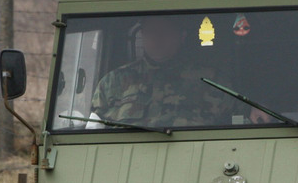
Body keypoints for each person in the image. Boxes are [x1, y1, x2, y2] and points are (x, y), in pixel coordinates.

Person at [91, 16, 233, 128]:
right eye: (151, 31)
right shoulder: (113, 81)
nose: (157, 38)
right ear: (142, 35)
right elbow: (94, 129)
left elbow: (237, 124)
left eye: (165, 31)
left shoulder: (211, 81)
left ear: (181, 36)